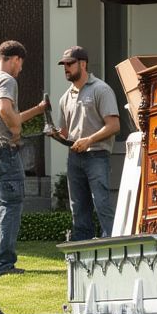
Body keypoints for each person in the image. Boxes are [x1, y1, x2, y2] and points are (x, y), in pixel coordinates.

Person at [0, 40, 47, 276]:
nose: (21, 69)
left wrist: (37, 109)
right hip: (4, 151)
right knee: (10, 205)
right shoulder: (7, 80)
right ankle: (3, 264)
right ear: (14, 59)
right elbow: (6, 111)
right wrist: (16, 132)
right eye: (21, 64)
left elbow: (7, 115)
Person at [55, 46, 120, 241]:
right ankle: (82, 248)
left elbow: (114, 125)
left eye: (70, 64)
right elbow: (65, 133)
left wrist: (89, 140)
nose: (66, 68)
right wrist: (54, 134)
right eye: (64, 65)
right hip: (74, 158)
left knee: (101, 203)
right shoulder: (65, 98)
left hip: (97, 155)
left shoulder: (101, 89)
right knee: (78, 206)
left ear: (83, 64)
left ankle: (110, 243)